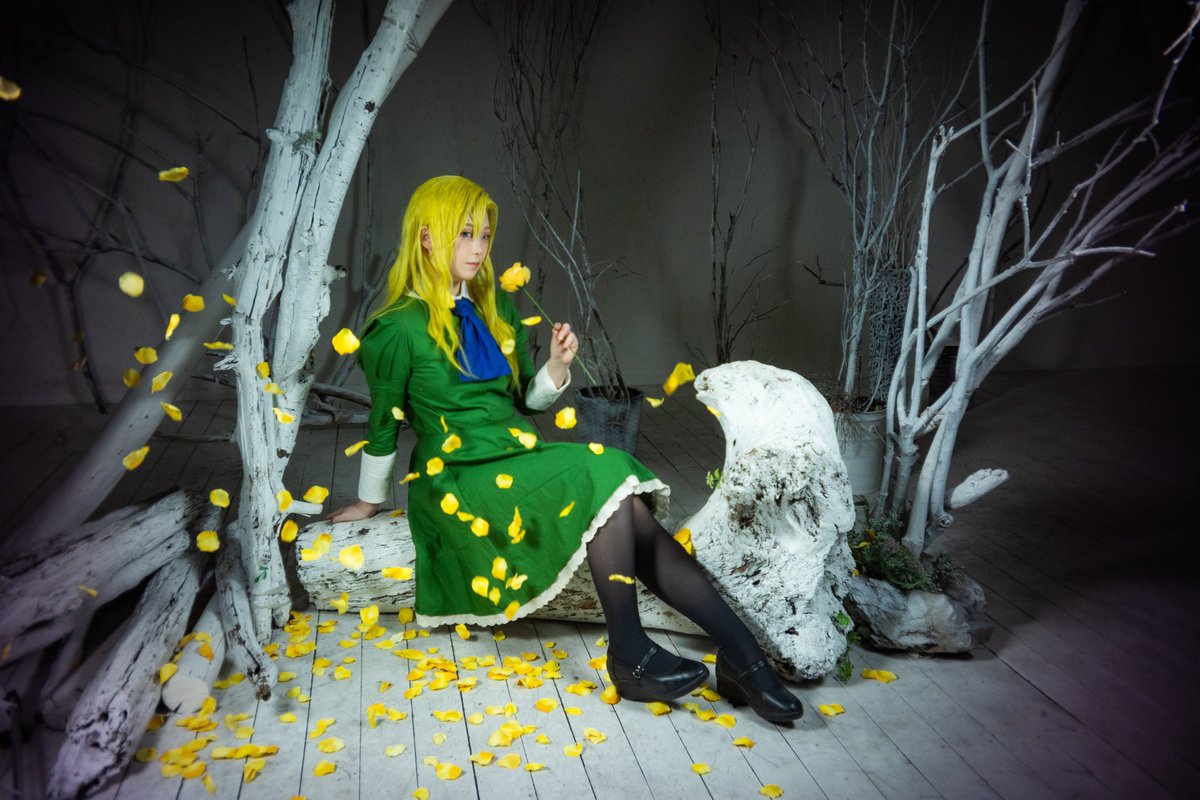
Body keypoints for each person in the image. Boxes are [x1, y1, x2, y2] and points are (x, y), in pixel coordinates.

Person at [328, 175, 804, 722]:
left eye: (485, 235)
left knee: (622, 501)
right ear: (428, 237)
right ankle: (663, 653)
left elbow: (524, 401)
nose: (479, 247)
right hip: (458, 476)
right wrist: (367, 502)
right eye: (465, 233)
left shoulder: (494, 309)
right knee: (604, 473)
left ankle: (733, 656)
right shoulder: (393, 329)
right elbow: (383, 424)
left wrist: (556, 367)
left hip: (518, 455)